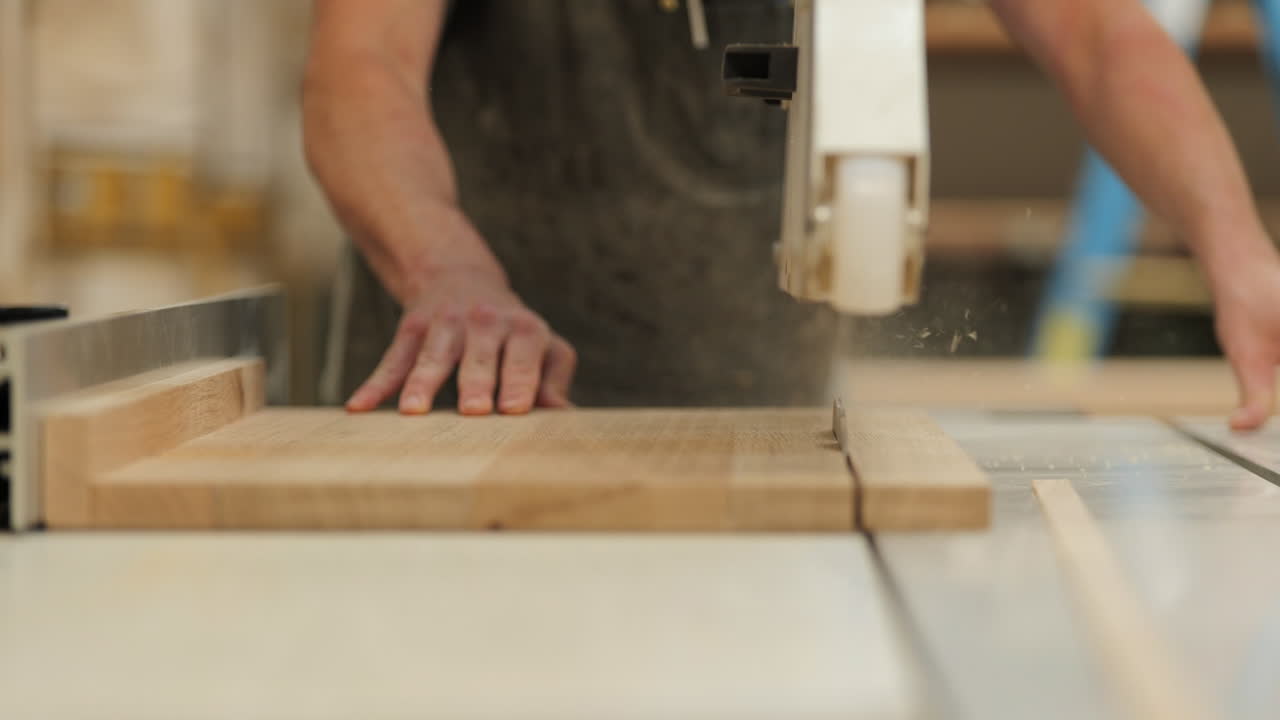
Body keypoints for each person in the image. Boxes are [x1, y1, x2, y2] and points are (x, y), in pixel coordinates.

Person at [303, 0, 1280, 430]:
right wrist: (450, 275)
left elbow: (1096, 32)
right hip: (461, 416)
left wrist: (1237, 252)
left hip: (761, 448)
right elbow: (360, 64)